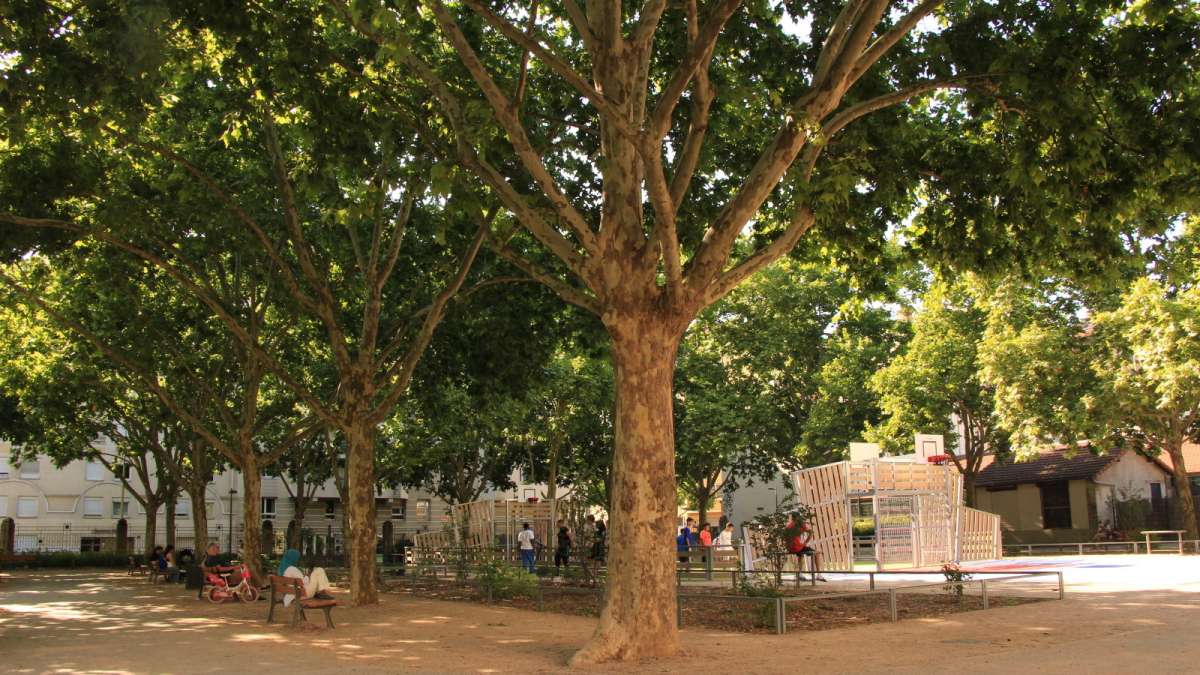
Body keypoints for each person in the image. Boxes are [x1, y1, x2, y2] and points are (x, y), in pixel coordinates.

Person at [784, 513, 826, 583]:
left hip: (791, 548)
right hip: (798, 547)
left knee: (800, 555)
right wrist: (805, 543)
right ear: (798, 518)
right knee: (816, 553)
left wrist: (788, 547)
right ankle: (818, 574)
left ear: (792, 518)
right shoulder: (800, 524)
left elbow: (785, 538)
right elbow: (811, 532)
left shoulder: (788, 526)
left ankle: (800, 574)